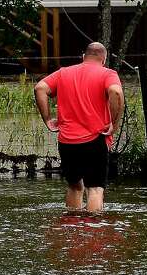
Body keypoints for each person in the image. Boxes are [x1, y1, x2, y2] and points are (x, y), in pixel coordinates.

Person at [34, 42, 125, 212]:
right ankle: (92, 231)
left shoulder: (63, 73)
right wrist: (114, 123)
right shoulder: (108, 74)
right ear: (103, 59)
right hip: (95, 139)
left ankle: (72, 227)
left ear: (84, 56)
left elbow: (40, 88)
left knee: (75, 187)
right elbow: (116, 92)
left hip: (67, 141)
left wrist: (47, 119)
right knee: (95, 189)